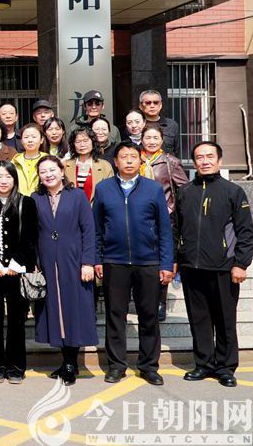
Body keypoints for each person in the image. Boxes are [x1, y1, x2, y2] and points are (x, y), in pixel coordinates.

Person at [93, 142, 174, 386]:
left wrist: (166, 263)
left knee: (148, 315)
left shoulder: (153, 188)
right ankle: (116, 366)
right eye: (123, 157)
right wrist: (97, 259)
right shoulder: (104, 188)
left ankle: (149, 366)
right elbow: (97, 229)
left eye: (133, 157)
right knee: (115, 315)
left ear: (140, 161)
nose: (128, 161)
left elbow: (164, 229)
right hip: (114, 261)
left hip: (148, 261)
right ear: (115, 161)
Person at [176, 141, 253, 388]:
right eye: (199, 157)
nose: (205, 161)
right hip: (191, 267)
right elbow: (175, 227)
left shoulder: (233, 192)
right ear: (194, 162)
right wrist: (176, 259)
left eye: (210, 156)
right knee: (198, 319)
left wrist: (241, 263)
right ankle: (203, 364)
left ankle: (226, 367)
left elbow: (245, 231)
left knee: (225, 319)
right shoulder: (185, 192)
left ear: (219, 160)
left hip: (224, 267)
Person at [32, 155, 98, 386]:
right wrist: (35, 262)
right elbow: (33, 233)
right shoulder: (36, 199)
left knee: (73, 309)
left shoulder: (77, 196)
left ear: (62, 171)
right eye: (43, 172)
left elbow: (89, 230)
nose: (48, 175)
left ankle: (71, 363)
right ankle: (65, 360)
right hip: (47, 262)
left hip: (74, 260)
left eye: (52, 170)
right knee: (55, 311)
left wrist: (88, 262)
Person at [0, 161, 37, 384]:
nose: (3, 181)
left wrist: (17, 262)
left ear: (14, 179)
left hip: (18, 271)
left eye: (8, 176)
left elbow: (31, 236)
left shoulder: (27, 203)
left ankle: (16, 367)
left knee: (17, 320)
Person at [140, 124, 189, 321]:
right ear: (141, 139)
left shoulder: (170, 162)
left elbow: (184, 189)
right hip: (138, 217)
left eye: (155, 138)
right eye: (148, 138)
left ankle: (160, 302)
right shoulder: (134, 159)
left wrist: (172, 208)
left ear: (162, 140)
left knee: (163, 258)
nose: (151, 142)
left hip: (163, 218)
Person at [64, 127, 114, 203]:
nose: (82, 145)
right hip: (71, 208)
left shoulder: (105, 166)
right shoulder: (65, 165)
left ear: (93, 142)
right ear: (73, 144)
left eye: (85, 141)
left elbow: (110, 192)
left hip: (96, 208)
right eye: (78, 142)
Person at [139, 89, 180, 156]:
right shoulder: (136, 126)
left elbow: (176, 151)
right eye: (148, 103)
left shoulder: (171, 125)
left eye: (155, 102)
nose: (152, 106)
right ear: (140, 106)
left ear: (160, 105)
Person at [10, 124, 44, 195]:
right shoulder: (15, 161)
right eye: (26, 137)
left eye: (34, 137)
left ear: (41, 140)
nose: (30, 140)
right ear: (21, 141)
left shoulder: (48, 160)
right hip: (18, 200)